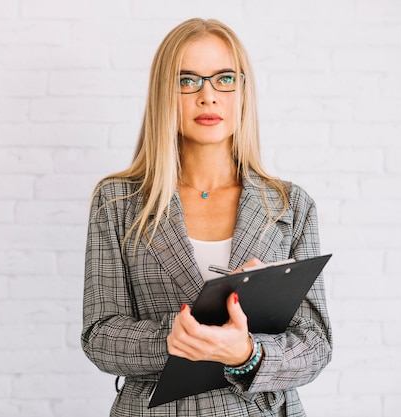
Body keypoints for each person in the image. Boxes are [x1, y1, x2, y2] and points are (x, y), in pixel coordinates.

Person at [81, 17, 332, 417]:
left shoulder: (289, 205)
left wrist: (248, 354)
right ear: (164, 93)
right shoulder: (118, 201)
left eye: (224, 79)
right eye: (188, 80)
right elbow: (100, 336)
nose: (208, 96)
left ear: (243, 91)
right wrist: (172, 338)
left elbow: (315, 343)